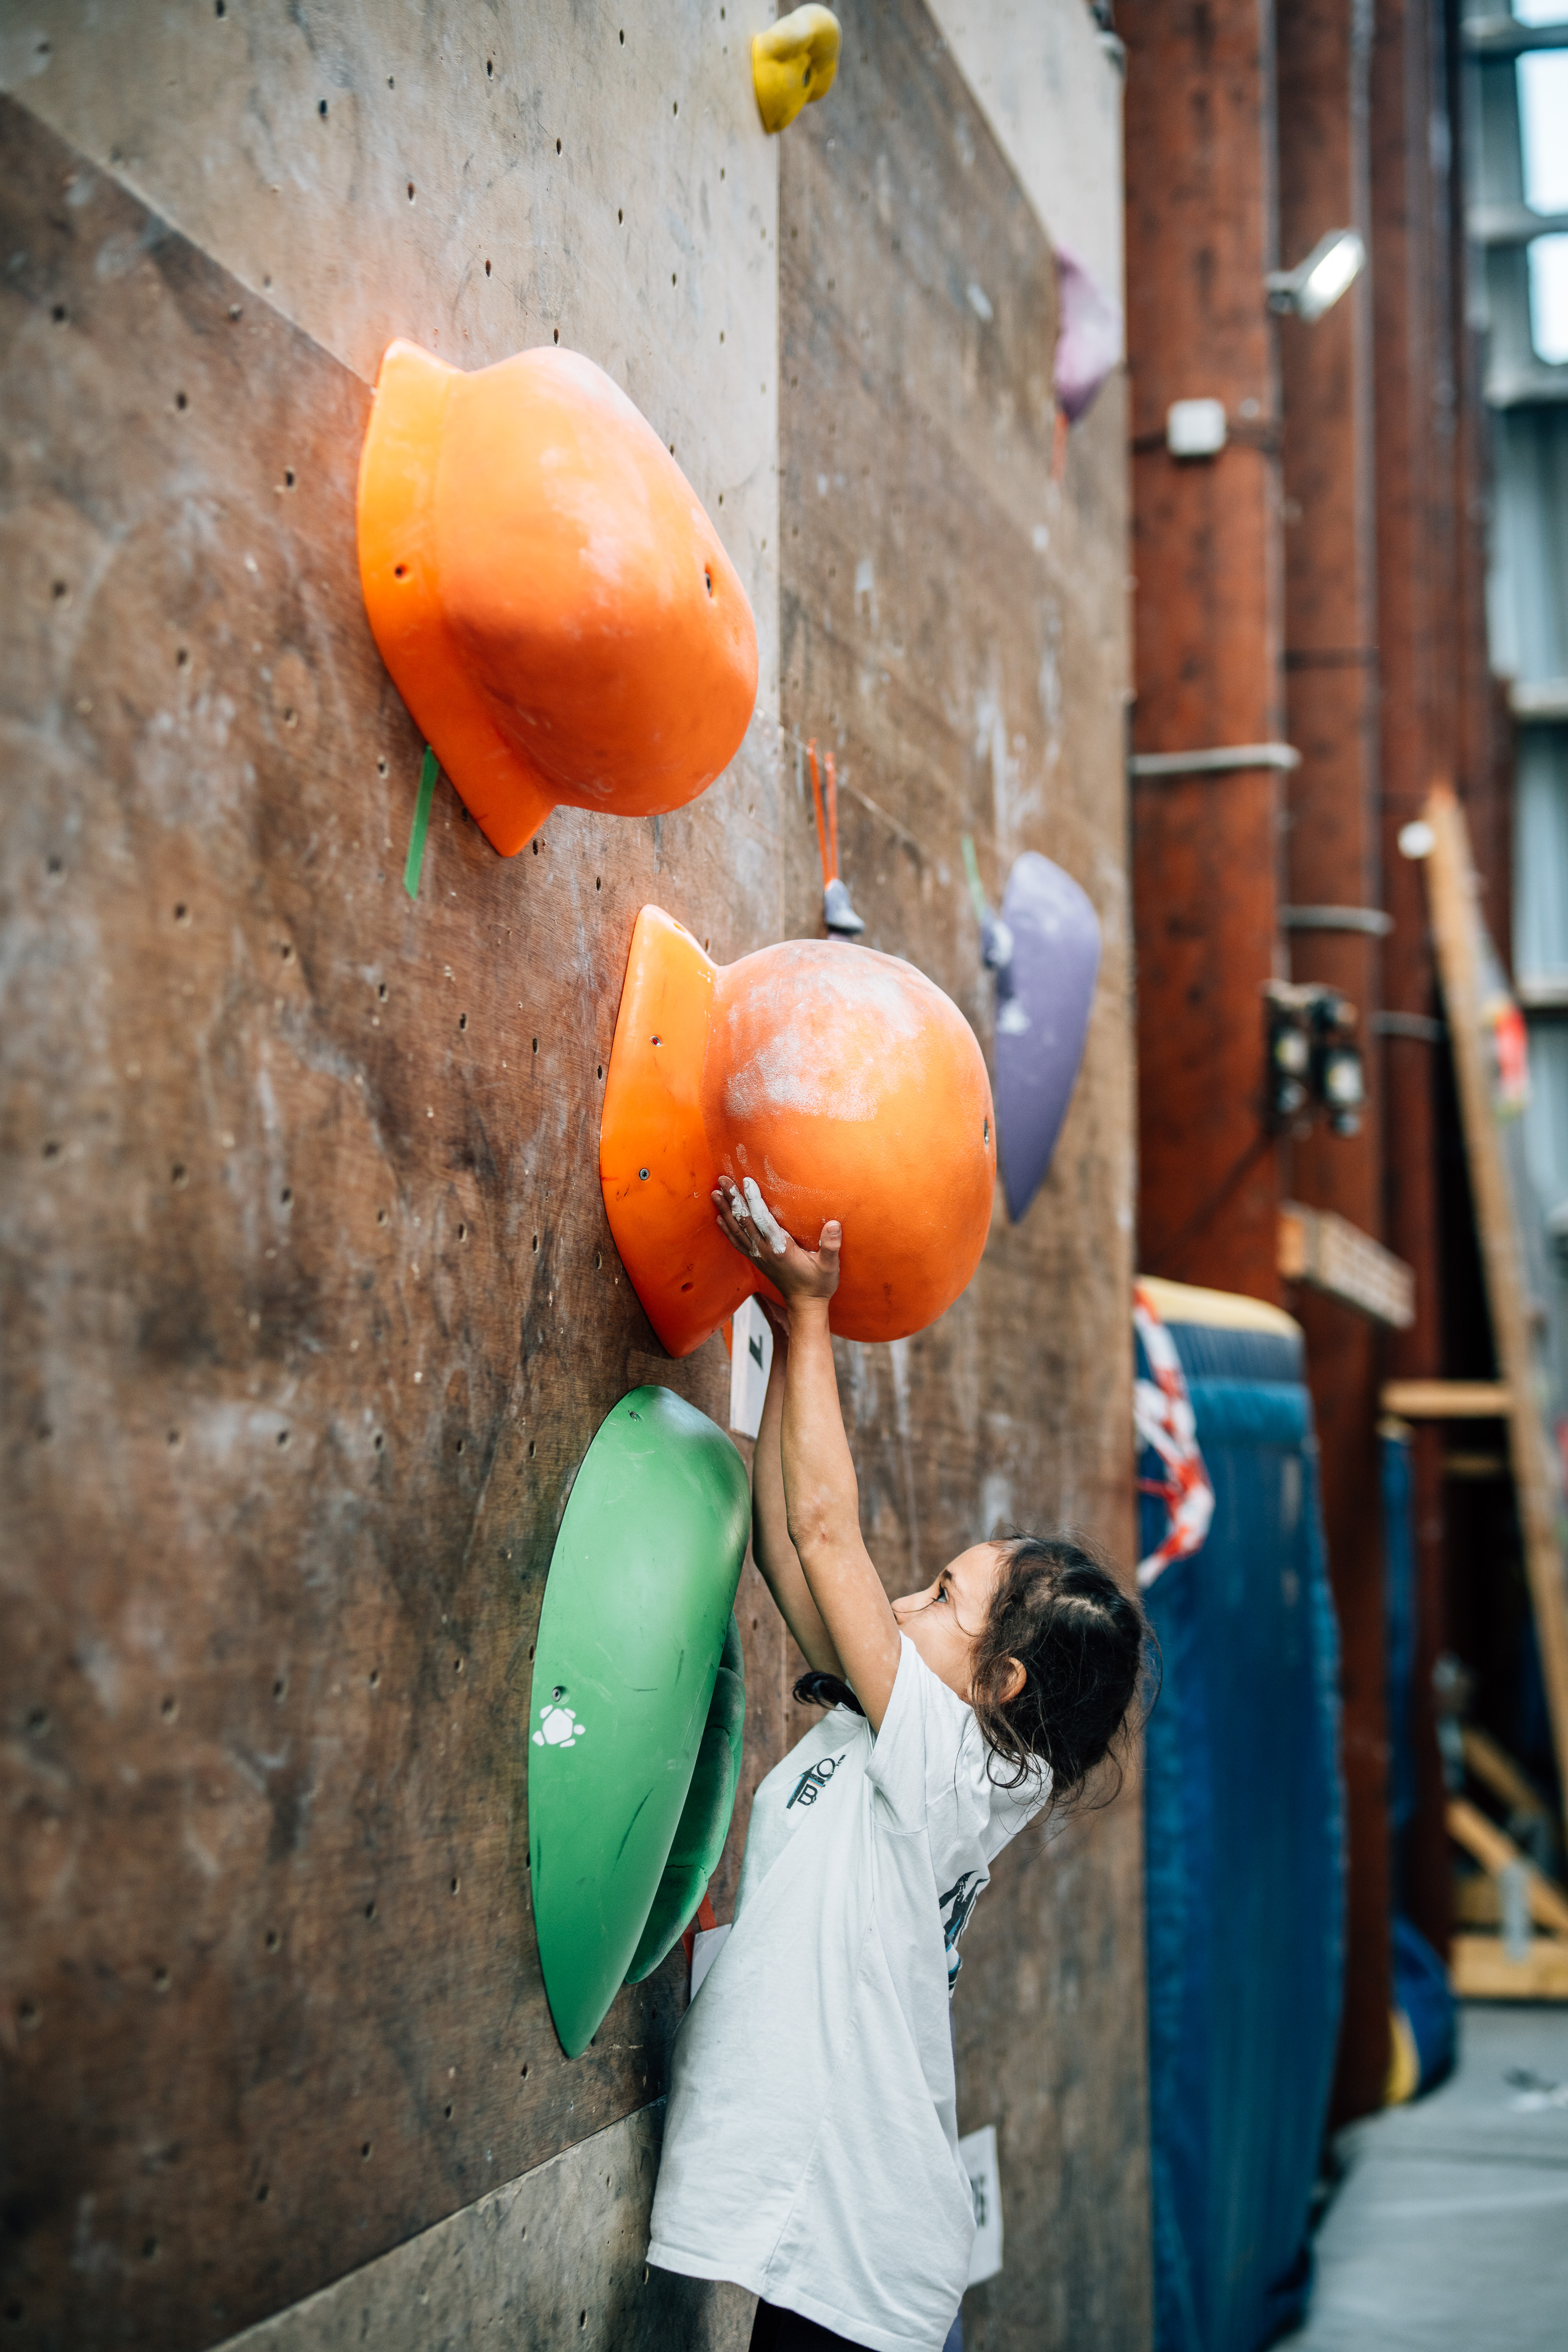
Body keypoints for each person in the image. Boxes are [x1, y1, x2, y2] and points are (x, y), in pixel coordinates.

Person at [647, 1187, 1150, 2352]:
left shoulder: (961, 1767)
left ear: (1001, 1685)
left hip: (855, 2255)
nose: (907, 1601)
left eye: (941, 1597)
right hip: (835, 2241)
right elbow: (790, 1548)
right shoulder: (906, 1735)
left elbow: (831, 1537)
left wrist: (814, 1313)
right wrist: (778, 1330)